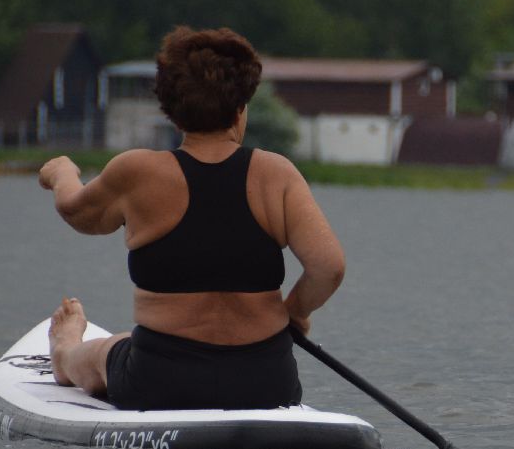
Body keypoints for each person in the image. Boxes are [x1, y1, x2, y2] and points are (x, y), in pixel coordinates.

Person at [38, 26, 345, 410]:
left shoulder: (136, 172)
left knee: (106, 351)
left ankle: (65, 351)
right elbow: (328, 267)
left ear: (172, 111)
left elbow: (76, 211)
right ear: (240, 108)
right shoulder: (277, 174)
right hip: (266, 383)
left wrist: (60, 172)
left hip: (161, 381)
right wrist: (294, 313)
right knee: (122, 348)